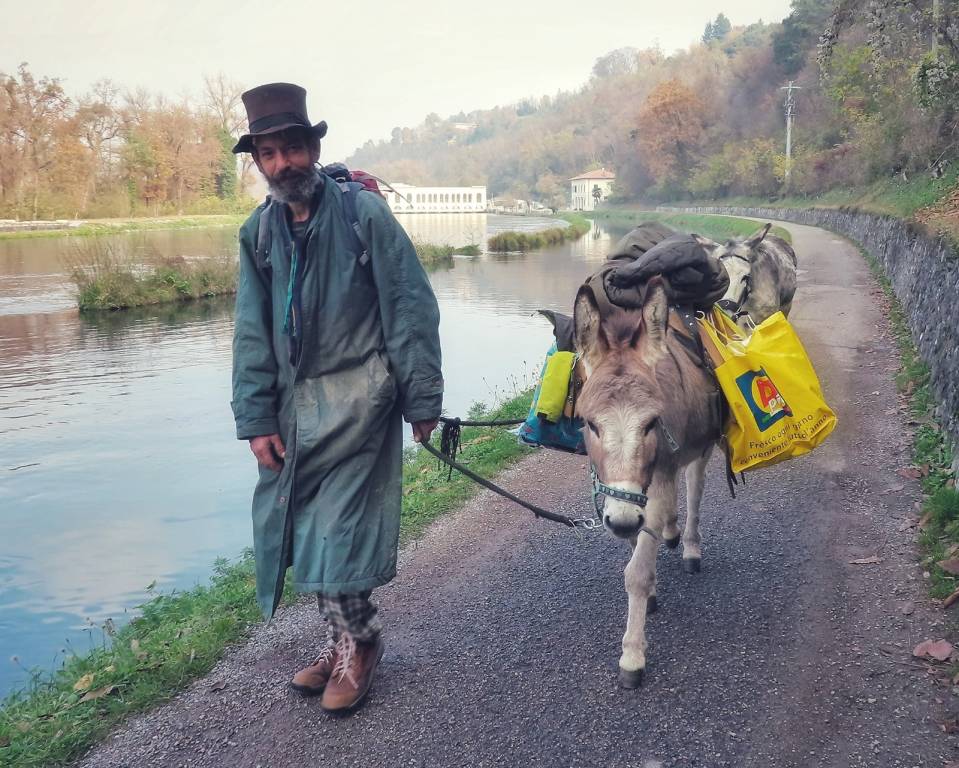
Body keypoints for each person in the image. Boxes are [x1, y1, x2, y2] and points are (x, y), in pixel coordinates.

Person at [230, 82, 443, 712]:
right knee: (306, 536)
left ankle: (363, 644)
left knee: (340, 537)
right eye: (268, 155)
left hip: (362, 401)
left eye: (291, 149)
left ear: (312, 148)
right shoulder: (258, 233)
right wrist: (256, 418)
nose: (281, 165)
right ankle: (341, 640)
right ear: (259, 162)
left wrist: (421, 399)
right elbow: (250, 333)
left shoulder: (362, 215)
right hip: (295, 417)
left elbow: (408, 306)